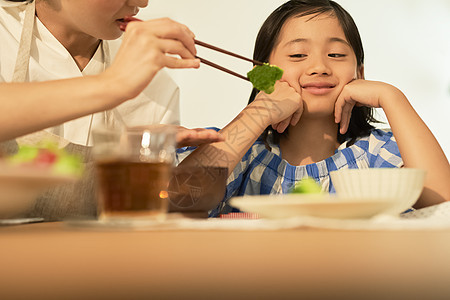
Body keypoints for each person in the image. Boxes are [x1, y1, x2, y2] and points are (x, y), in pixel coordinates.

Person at [179, 0, 450, 217]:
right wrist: (259, 112)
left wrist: (392, 97)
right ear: (262, 75)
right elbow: (178, 199)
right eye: (298, 55)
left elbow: (443, 206)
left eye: (336, 55)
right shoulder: (237, 151)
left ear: (360, 74)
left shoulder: (378, 154)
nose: (319, 67)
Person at [0, 0, 223, 220]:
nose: (142, 2)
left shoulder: (154, 83)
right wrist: (113, 84)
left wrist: (134, 154)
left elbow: (146, 215)